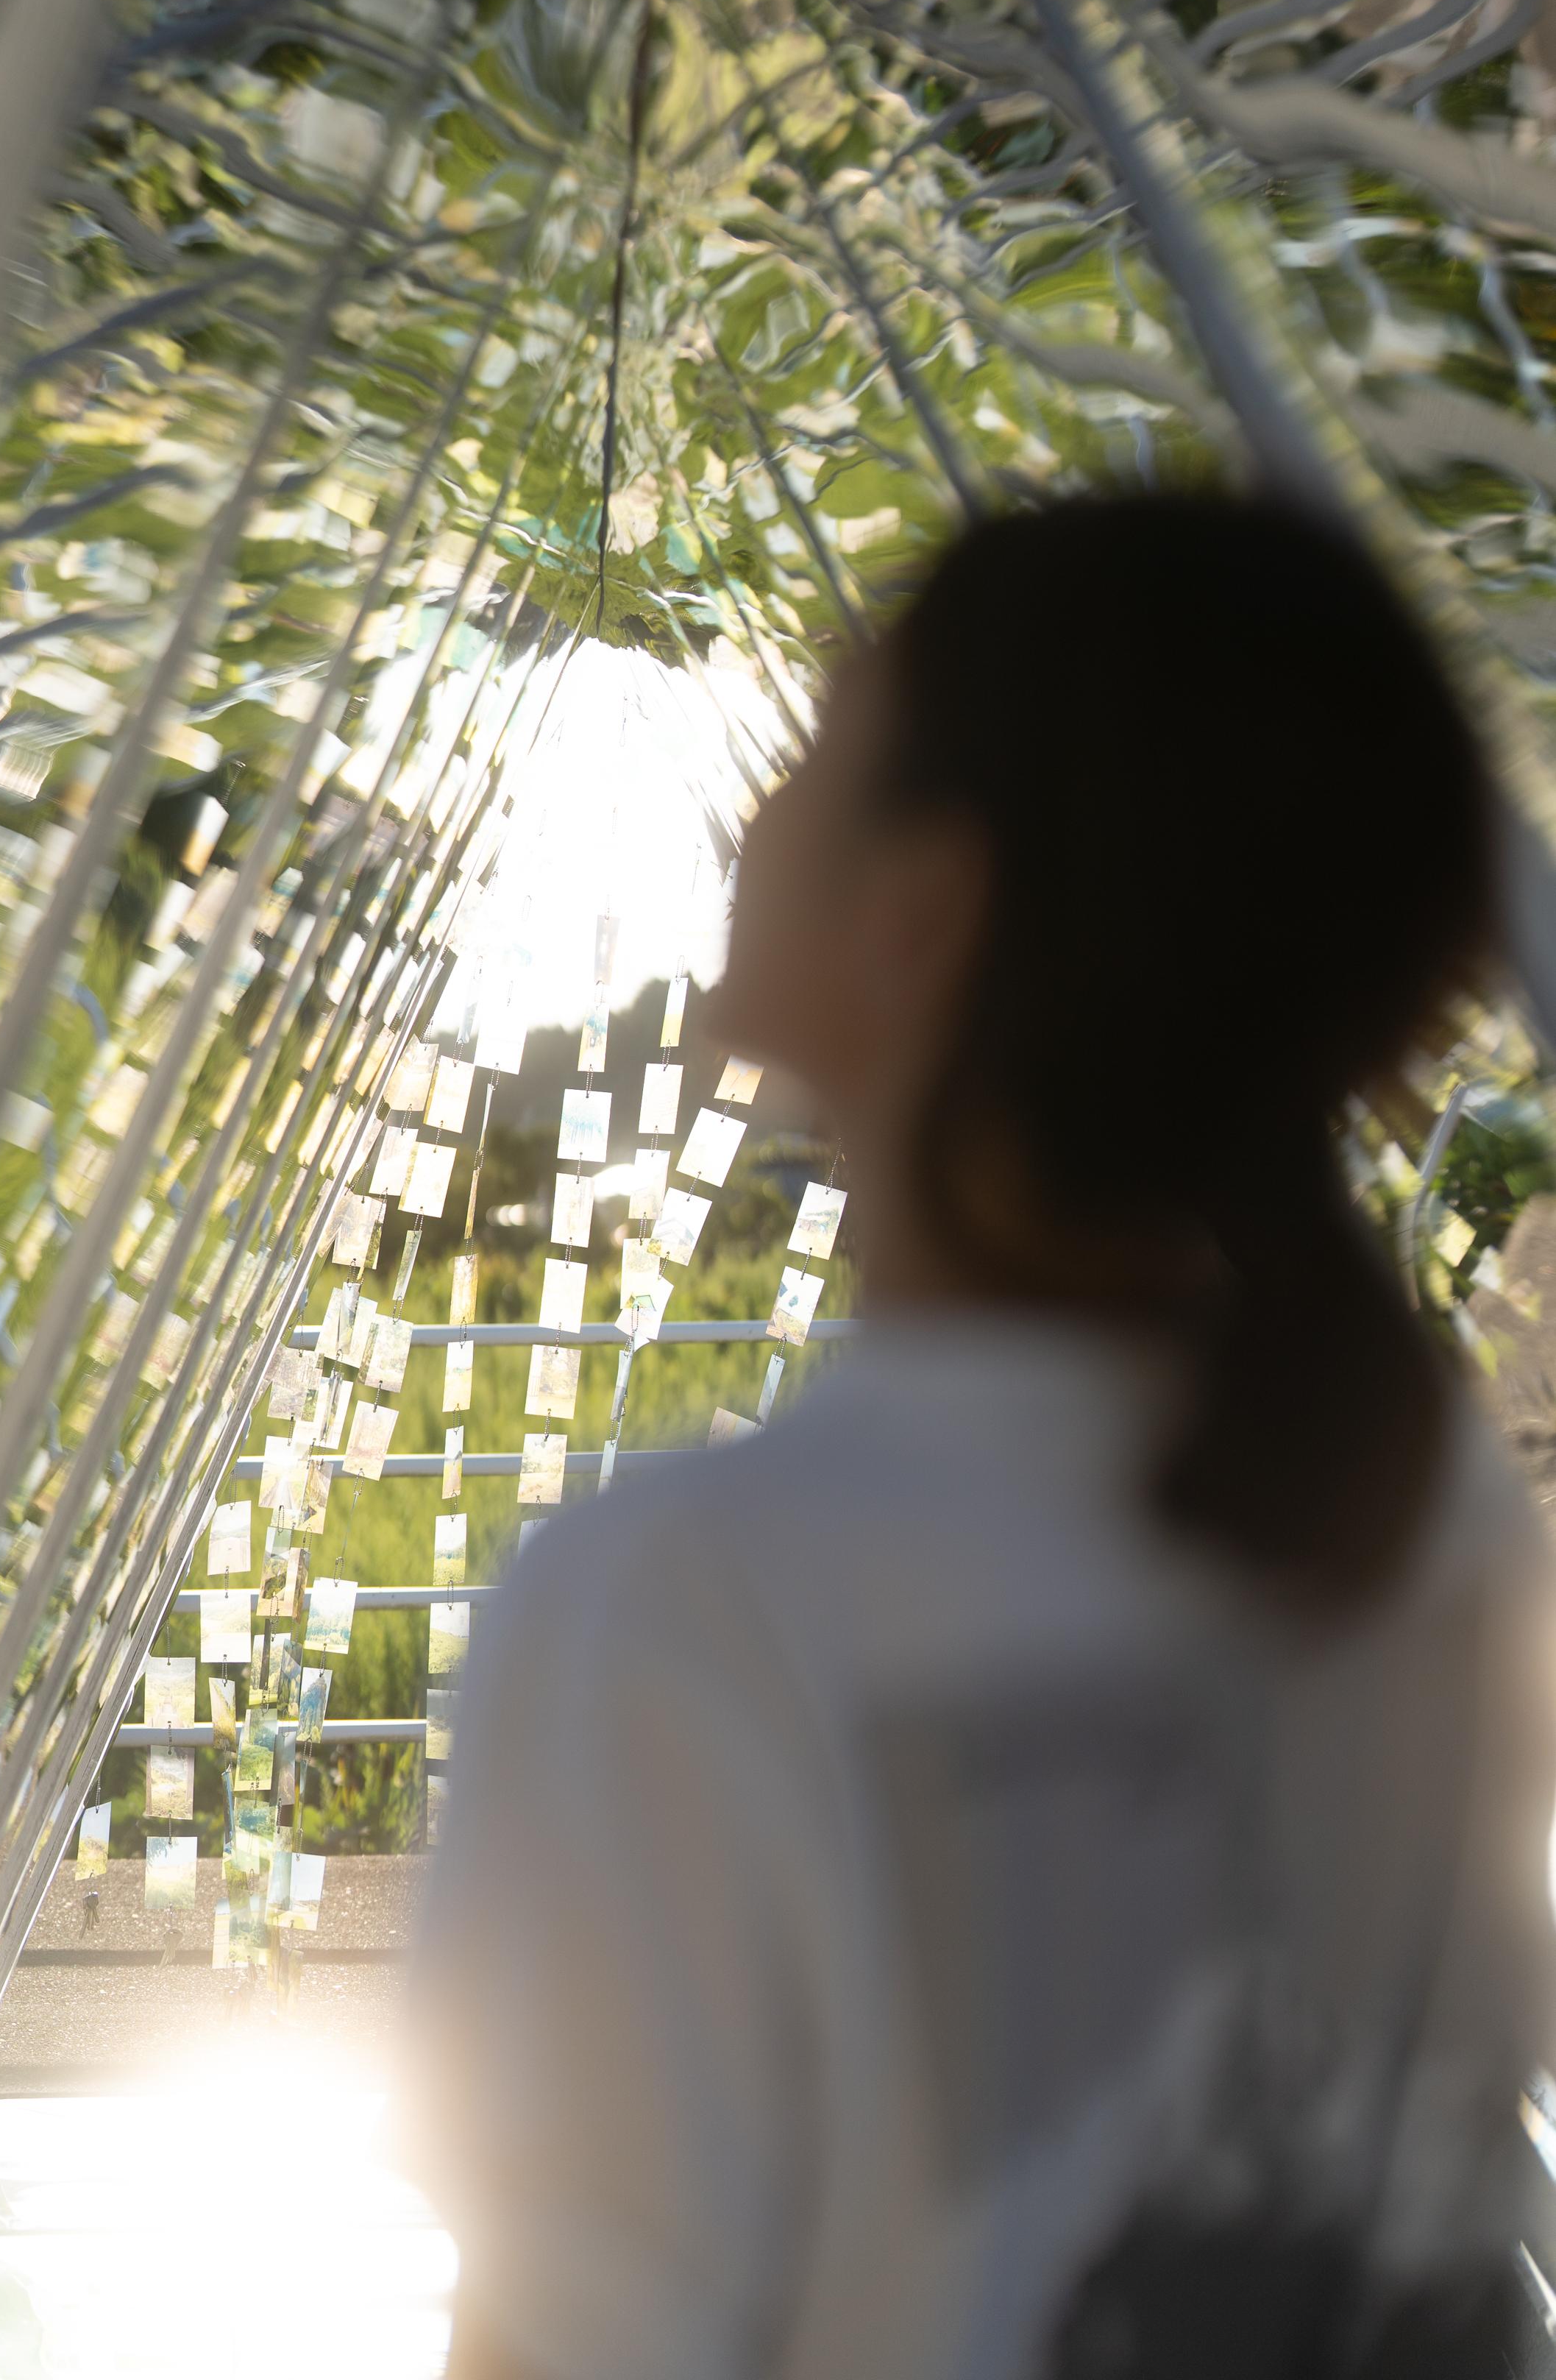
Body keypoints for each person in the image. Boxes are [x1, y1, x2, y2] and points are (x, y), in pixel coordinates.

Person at [405, 492, 1556, 2380]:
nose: (754, 806)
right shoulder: (1429, 1523)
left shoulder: (691, 1602)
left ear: (919, 910)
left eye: (816, 750)